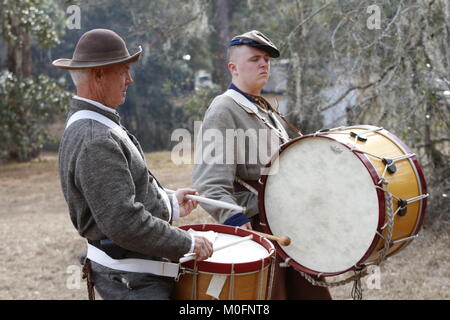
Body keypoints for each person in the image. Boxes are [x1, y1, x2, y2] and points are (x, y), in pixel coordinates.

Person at [54, 28, 213, 300]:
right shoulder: (95, 138)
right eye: (123, 71)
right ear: (99, 74)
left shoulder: (95, 125)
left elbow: (117, 200)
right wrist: (186, 242)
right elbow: (123, 222)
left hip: (132, 275)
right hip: (132, 280)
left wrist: (169, 203)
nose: (130, 80)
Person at [192, 30, 332, 299]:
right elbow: (208, 184)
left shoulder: (264, 108)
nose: (263, 64)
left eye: (266, 59)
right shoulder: (224, 108)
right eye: (255, 59)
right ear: (233, 68)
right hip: (258, 229)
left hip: (286, 225)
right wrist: (234, 220)